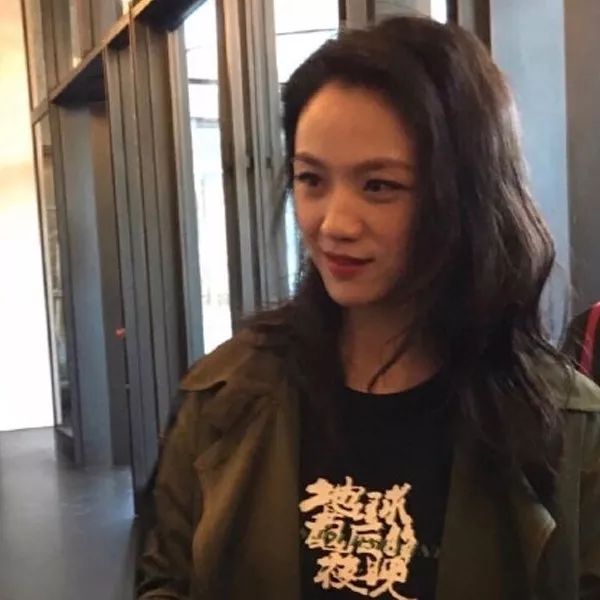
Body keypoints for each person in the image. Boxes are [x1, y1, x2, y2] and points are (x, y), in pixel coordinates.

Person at [136, 16, 600, 600]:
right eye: (311, 179)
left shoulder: (567, 429)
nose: (334, 224)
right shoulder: (224, 398)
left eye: (379, 186)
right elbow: (165, 579)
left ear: (467, 196)